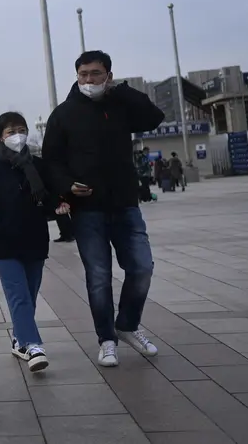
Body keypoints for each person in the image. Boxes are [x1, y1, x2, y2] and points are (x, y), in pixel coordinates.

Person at [42, 50, 164, 367]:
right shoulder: (64, 114)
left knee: (142, 267)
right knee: (98, 277)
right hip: (88, 210)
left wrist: (121, 90)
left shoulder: (120, 106)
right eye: (83, 74)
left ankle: (126, 326)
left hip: (125, 204)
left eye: (95, 73)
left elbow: (154, 118)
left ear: (107, 75)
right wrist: (67, 185)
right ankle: (106, 339)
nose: (88, 80)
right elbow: (51, 160)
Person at [0, 112, 70, 372]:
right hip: (4, 245)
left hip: (35, 240)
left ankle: (19, 339)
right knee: (19, 296)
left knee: (30, 294)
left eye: (21, 129)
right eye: (10, 131)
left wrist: (59, 206)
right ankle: (33, 346)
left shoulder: (37, 166)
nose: (17, 135)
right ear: (0, 137)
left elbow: (48, 200)